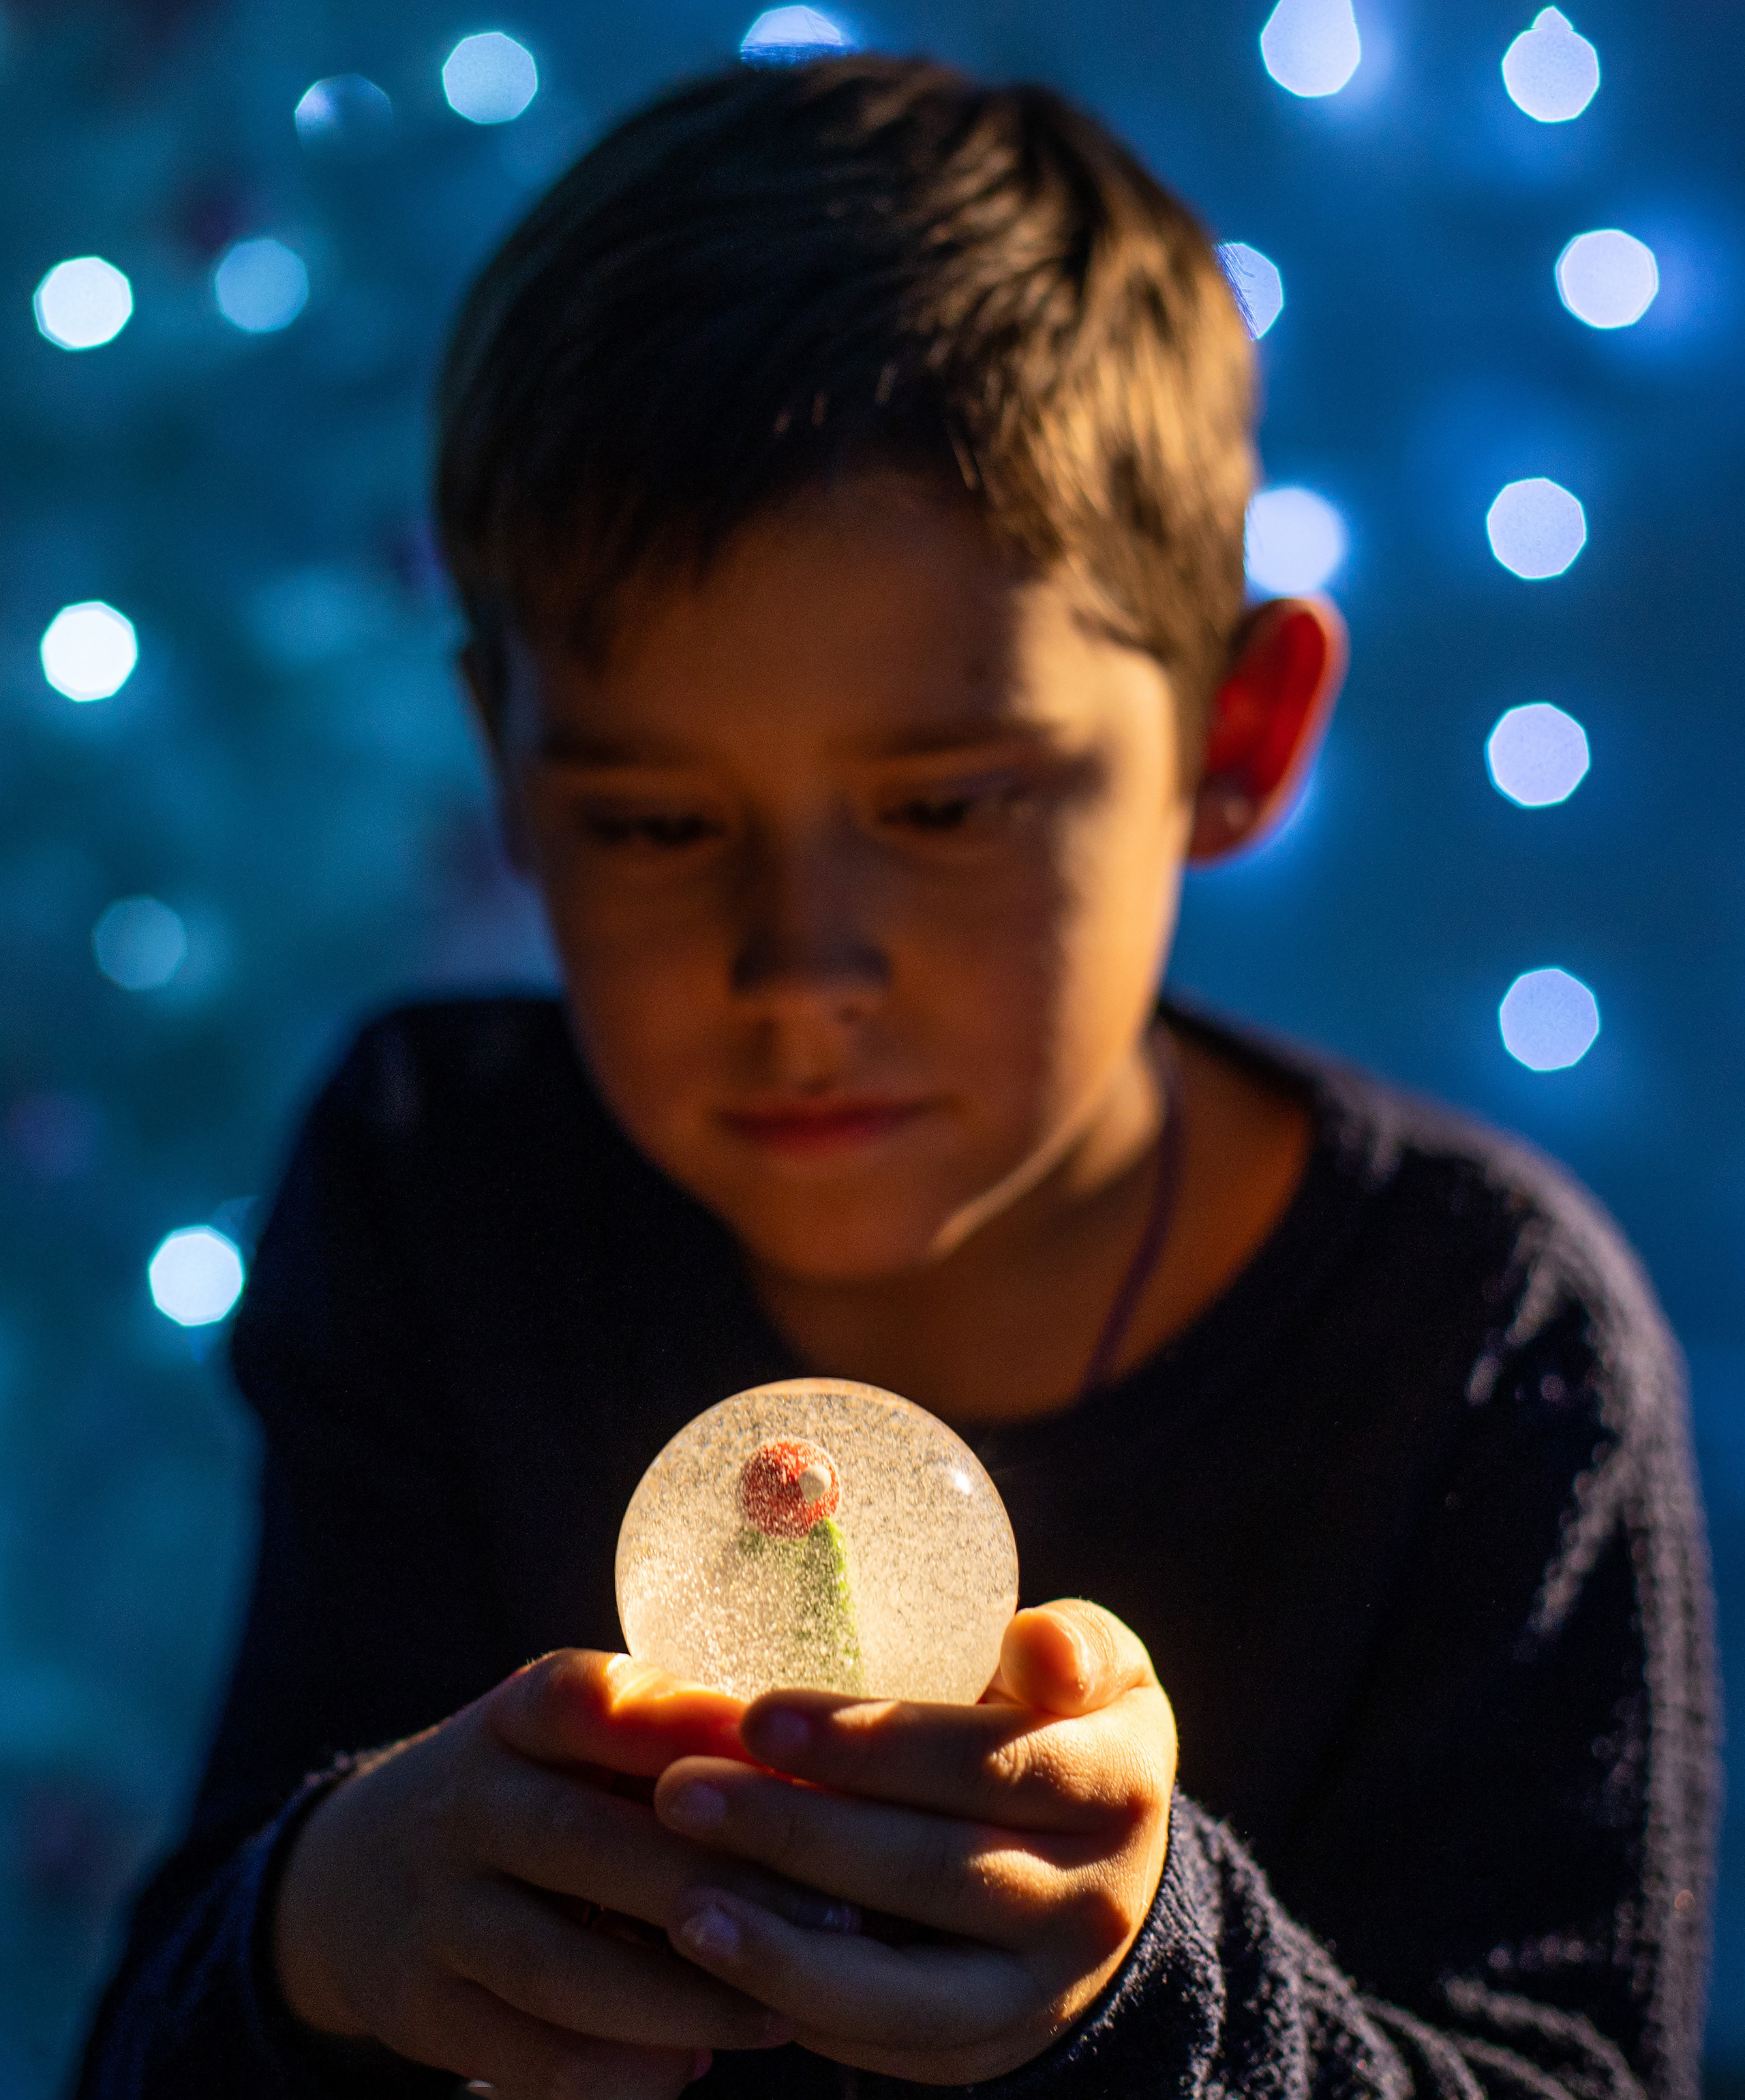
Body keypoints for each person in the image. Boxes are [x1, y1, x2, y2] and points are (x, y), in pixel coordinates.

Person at [75, 54, 1715, 2100]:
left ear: (1238, 730)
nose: (798, 972)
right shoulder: (443, 1181)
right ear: (504, 759)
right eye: (661, 822)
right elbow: (148, 2045)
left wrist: (1141, 1991)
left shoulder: (1481, 1343)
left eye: (944, 803)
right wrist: (325, 1916)